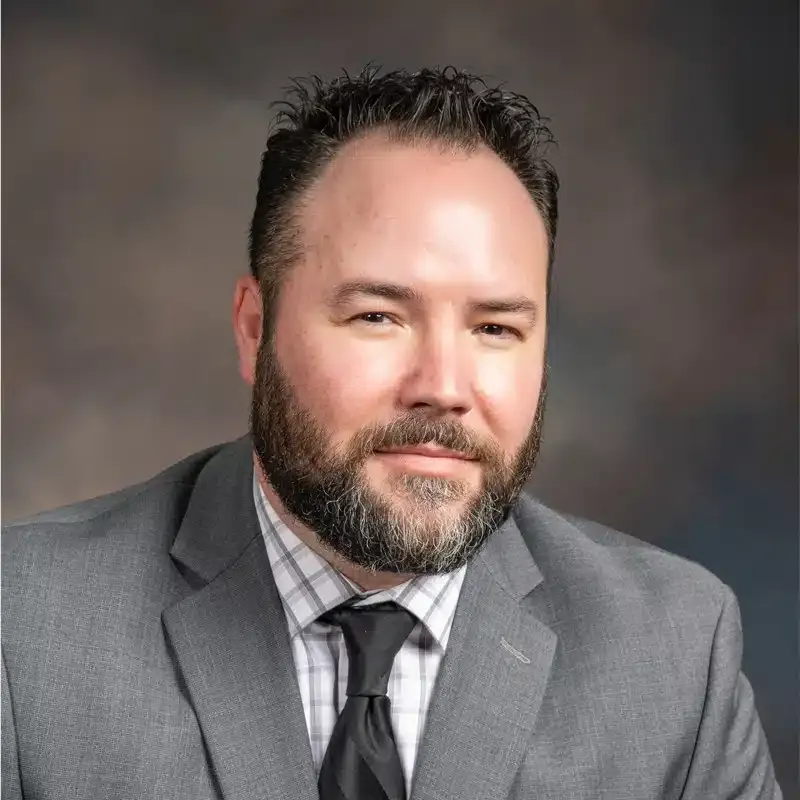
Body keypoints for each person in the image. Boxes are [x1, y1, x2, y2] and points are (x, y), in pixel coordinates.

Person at [1, 66, 781, 800]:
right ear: (253, 327)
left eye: (497, 328)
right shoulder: (24, 628)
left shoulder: (675, 655)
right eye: (379, 316)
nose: (442, 386)